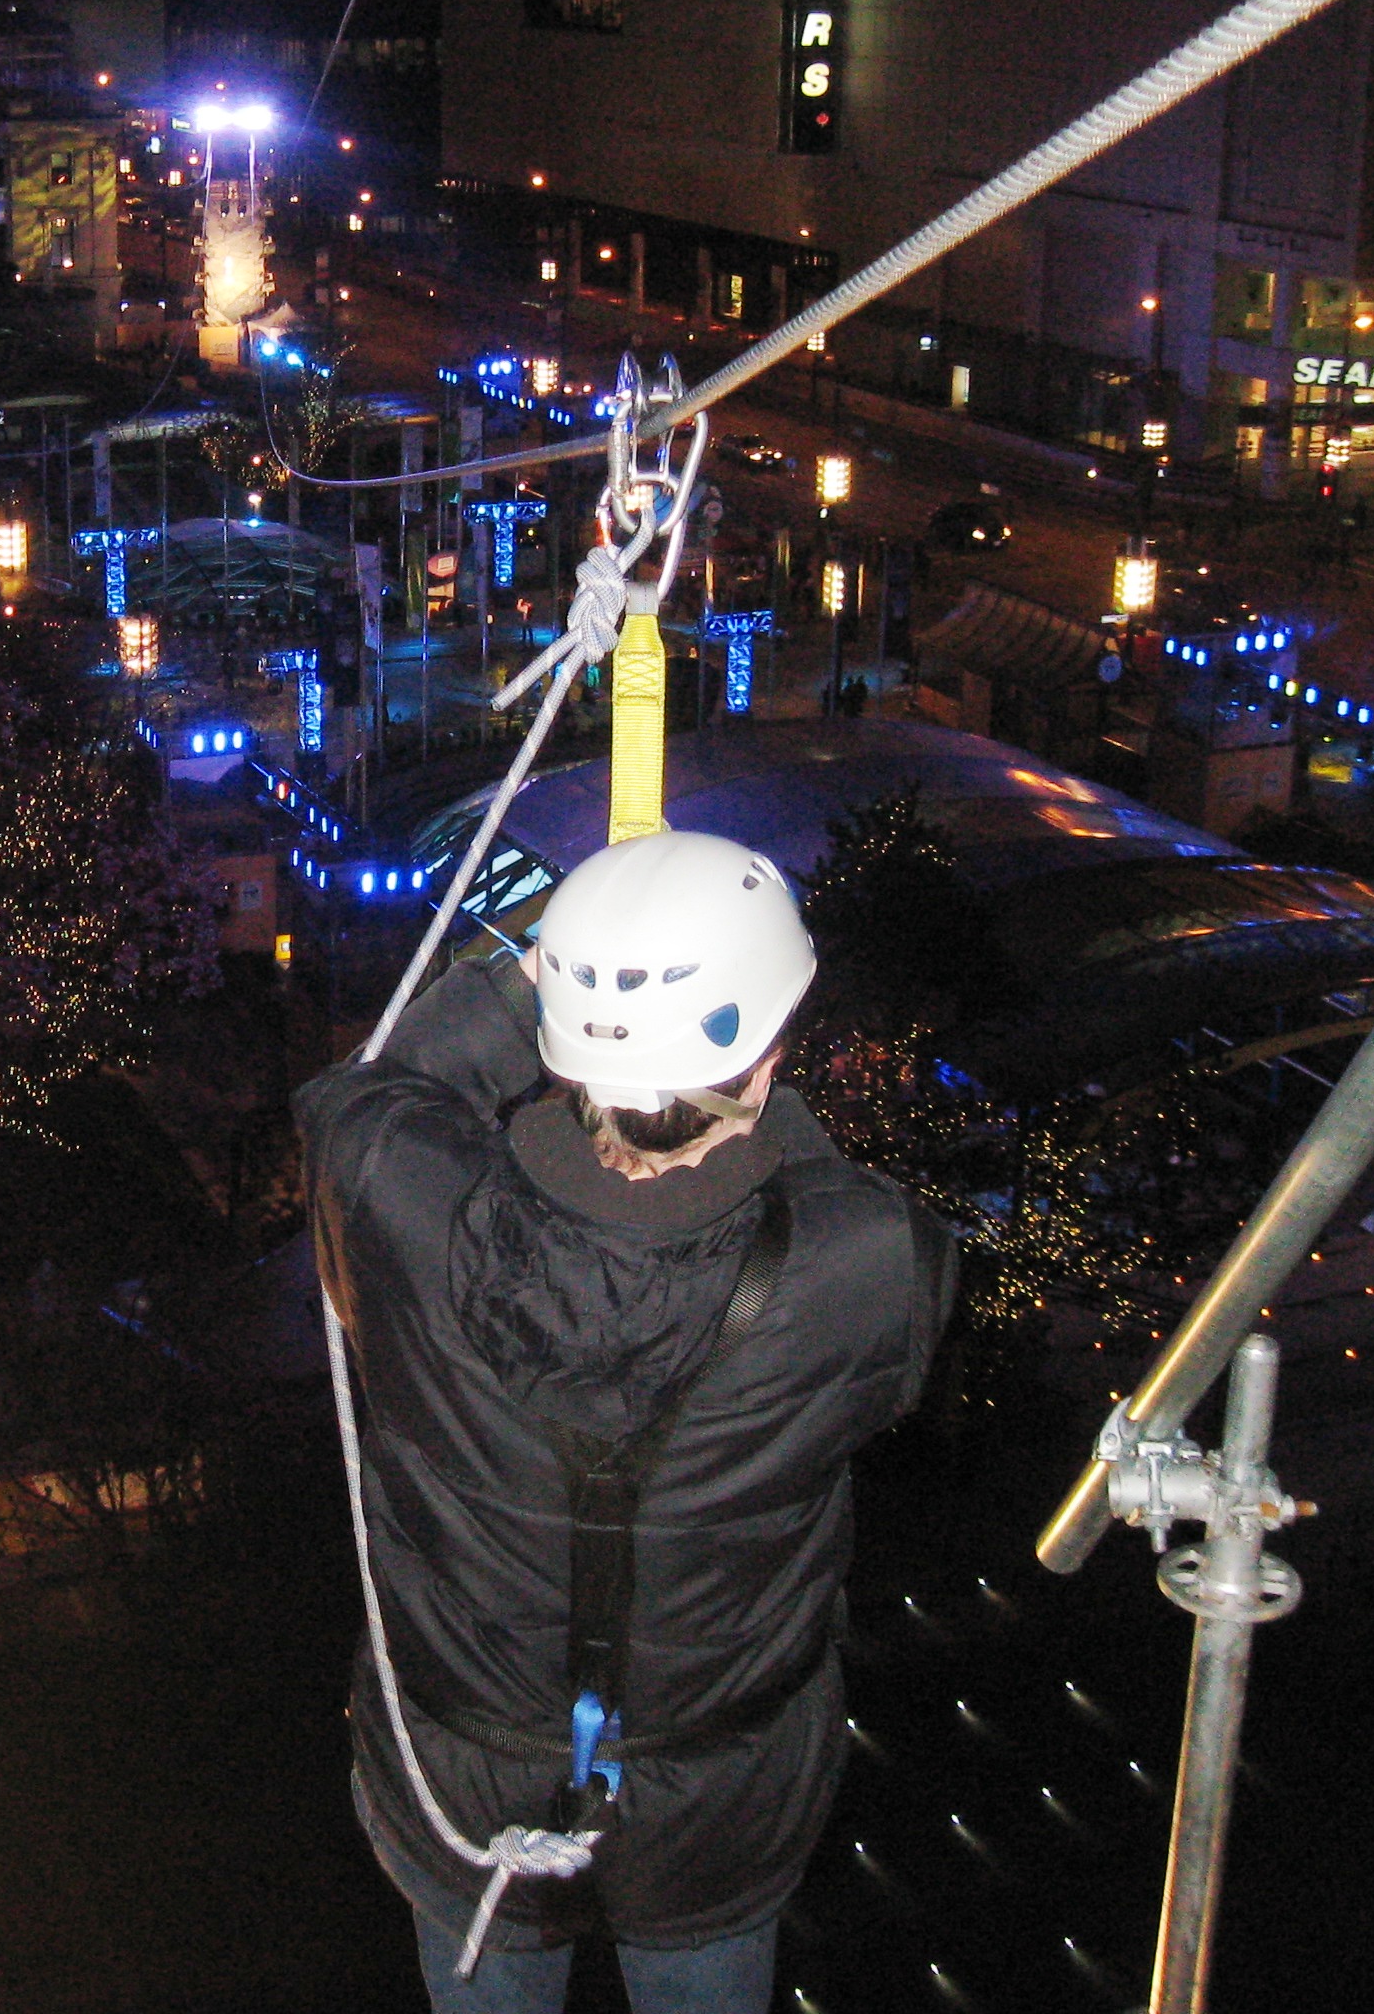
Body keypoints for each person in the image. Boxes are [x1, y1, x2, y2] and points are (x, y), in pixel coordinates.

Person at [299, 830, 954, 2014]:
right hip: (720, 1784)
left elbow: (374, 1089)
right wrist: (762, 1118)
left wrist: (527, 979)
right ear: (763, 1060)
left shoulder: (403, 1199)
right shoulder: (866, 1268)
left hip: (467, 1769)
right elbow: (834, 1219)